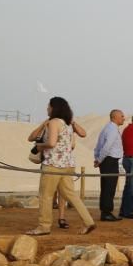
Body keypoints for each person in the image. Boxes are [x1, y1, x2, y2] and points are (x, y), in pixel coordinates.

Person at [25, 96, 96, 236]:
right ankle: (88, 222)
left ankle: (44, 226)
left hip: (53, 165)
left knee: (45, 196)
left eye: (48, 106)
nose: (47, 108)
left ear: (54, 108)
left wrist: (39, 147)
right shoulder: (68, 124)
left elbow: (51, 143)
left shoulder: (53, 122)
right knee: (71, 195)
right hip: (67, 164)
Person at [93, 109, 125, 222]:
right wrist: (99, 159)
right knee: (109, 187)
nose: (124, 118)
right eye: (122, 116)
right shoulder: (111, 129)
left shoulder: (108, 128)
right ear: (114, 117)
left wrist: (97, 158)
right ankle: (106, 212)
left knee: (107, 186)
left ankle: (105, 211)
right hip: (109, 160)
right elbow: (106, 146)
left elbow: (98, 145)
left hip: (107, 160)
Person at [54, 120, 87, 228]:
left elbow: (83, 133)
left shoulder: (69, 125)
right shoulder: (53, 124)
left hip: (66, 161)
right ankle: (45, 222)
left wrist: (73, 123)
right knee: (47, 193)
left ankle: (61, 217)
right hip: (52, 160)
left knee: (64, 191)